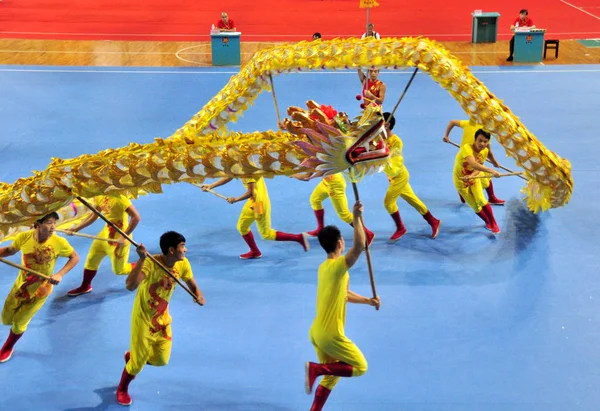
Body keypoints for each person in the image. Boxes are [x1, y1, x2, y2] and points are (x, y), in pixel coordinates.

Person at [305, 201, 380, 411]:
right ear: (340, 243)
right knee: (360, 367)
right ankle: (316, 369)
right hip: (331, 335)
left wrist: (368, 300)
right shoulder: (339, 267)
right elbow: (359, 247)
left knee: (333, 374)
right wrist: (356, 217)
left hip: (316, 333)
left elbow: (344, 295)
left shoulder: (325, 267)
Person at [116, 231, 205, 406]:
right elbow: (130, 286)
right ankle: (122, 388)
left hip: (162, 318)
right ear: (171, 250)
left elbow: (192, 285)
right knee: (136, 366)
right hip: (143, 318)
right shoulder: (151, 263)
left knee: (161, 360)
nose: (185, 250)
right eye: (182, 247)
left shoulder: (183, 264)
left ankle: (133, 356)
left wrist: (198, 295)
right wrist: (141, 259)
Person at [0, 212, 79, 363]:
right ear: (37, 224)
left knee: (20, 322)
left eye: (55, 223)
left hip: (41, 289)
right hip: (21, 285)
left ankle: (8, 347)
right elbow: (10, 251)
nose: (53, 227)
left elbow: (75, 257)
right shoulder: (24, 237)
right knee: (6, 319)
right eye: (49, 222)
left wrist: (60, 274)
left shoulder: (59, 242)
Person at [201, 177, 309, 259]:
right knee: (242, 226)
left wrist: (235, 199)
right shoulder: (240, 164)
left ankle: (298, 237)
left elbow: (250, 192)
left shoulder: (248, 170)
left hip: (258, 204)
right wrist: (211, 186)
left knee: (266, 234)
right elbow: (229, 176)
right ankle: (255, 251)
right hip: (253, 201)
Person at [66, 194, 141, 296]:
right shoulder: (100, 196)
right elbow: (94, 214)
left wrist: (124, 236)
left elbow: (136, 217)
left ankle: (145, 265)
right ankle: (85, 286)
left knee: (119, 270)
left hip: (119, 241)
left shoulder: (121, 199)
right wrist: (76, 228)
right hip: (105, 235)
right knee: (91, 260)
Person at [381, 112, 441, 241]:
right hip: (392, 177)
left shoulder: (396, 142)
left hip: (398, 176)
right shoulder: (379, 138)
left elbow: (394, 166)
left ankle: (400, 228)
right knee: (413, 200)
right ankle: (433, 220)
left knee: (388, 203)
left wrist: (379, 157)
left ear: (387, 125)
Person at [443, 119, 505, 205]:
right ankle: (487, 196)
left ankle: (491, 197)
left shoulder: (469, 123)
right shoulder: (484, 129)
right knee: (480, 174)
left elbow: (452, 122)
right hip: (466, 158)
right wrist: (494, 163)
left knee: (478, 175)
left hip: (473, 158)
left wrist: (446, 135)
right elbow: (489, 152)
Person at [453, 129, 501, 234]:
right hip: (460, 180)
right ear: (475, 140)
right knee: (475, 206)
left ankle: (493, 223)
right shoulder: (467, 148)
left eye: (485, 142)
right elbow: (474, 164)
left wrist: (471, 176)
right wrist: (492, 170)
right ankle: (486, 221)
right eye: (480, 140)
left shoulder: (484, 151)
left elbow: (477, 168)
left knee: (481, 200)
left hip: (474, 178)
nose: (482, 144)